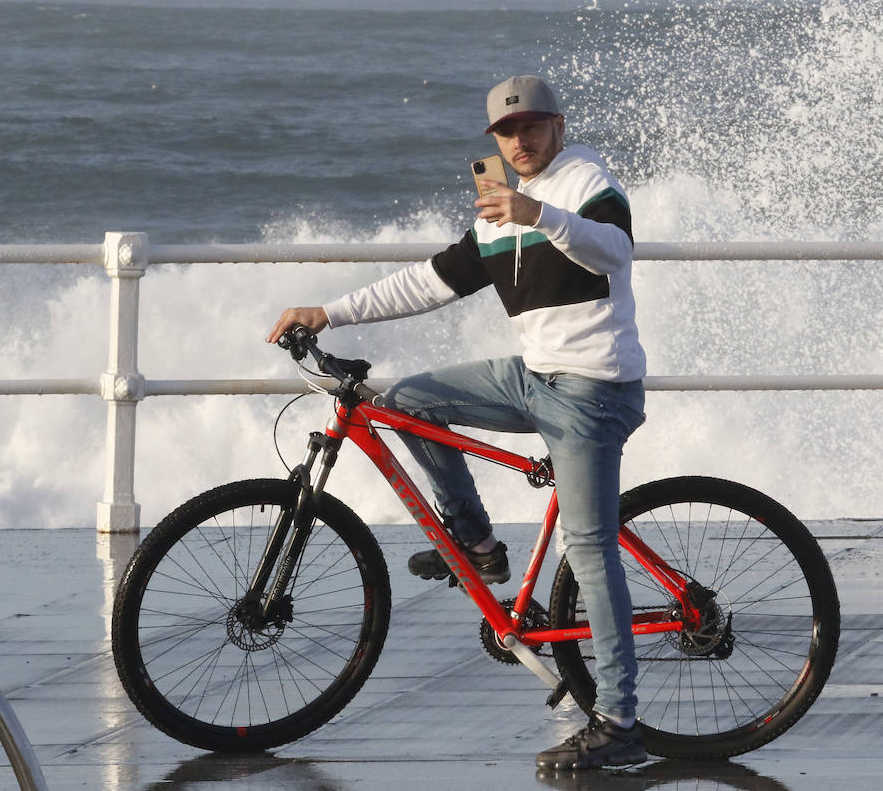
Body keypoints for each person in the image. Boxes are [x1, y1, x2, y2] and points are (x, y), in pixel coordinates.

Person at [267, 75, 648, 771]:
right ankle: (475, 543)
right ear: (494, 141)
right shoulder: (495, 213)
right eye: (507, 131)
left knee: (589, 547)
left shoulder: (584, 178)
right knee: (408, 401)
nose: (521, 140)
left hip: (593, 389)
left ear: (559, 127)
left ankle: (619, 721)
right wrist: (328, 313)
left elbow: (614, 250)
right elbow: (428, 282)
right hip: (533, 377)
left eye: (532, 126)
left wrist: (537, 213)